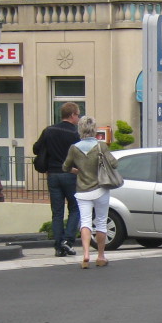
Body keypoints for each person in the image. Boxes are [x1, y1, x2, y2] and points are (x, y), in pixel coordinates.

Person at [63, 115, 119, 269]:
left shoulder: (74, 148)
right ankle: (100, 256)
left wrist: (78, 171)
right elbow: (114, 163)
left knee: (85, 222)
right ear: (94, 129)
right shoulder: (101, 146)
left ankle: (86, 254)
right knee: (101, 222)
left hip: (82, 190)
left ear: (80, 129)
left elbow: (65, 167)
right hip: (100, 188)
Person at [32, 101, 82, 256]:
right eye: (78, 115)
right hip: (70, 174)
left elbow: (36, 148)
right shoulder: (75, 133)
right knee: (75, 208)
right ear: (72, 114)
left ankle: (59, 246)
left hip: (53, 175)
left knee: (57, 211)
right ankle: (68, 241)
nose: (78, 118)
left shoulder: (49, 130)